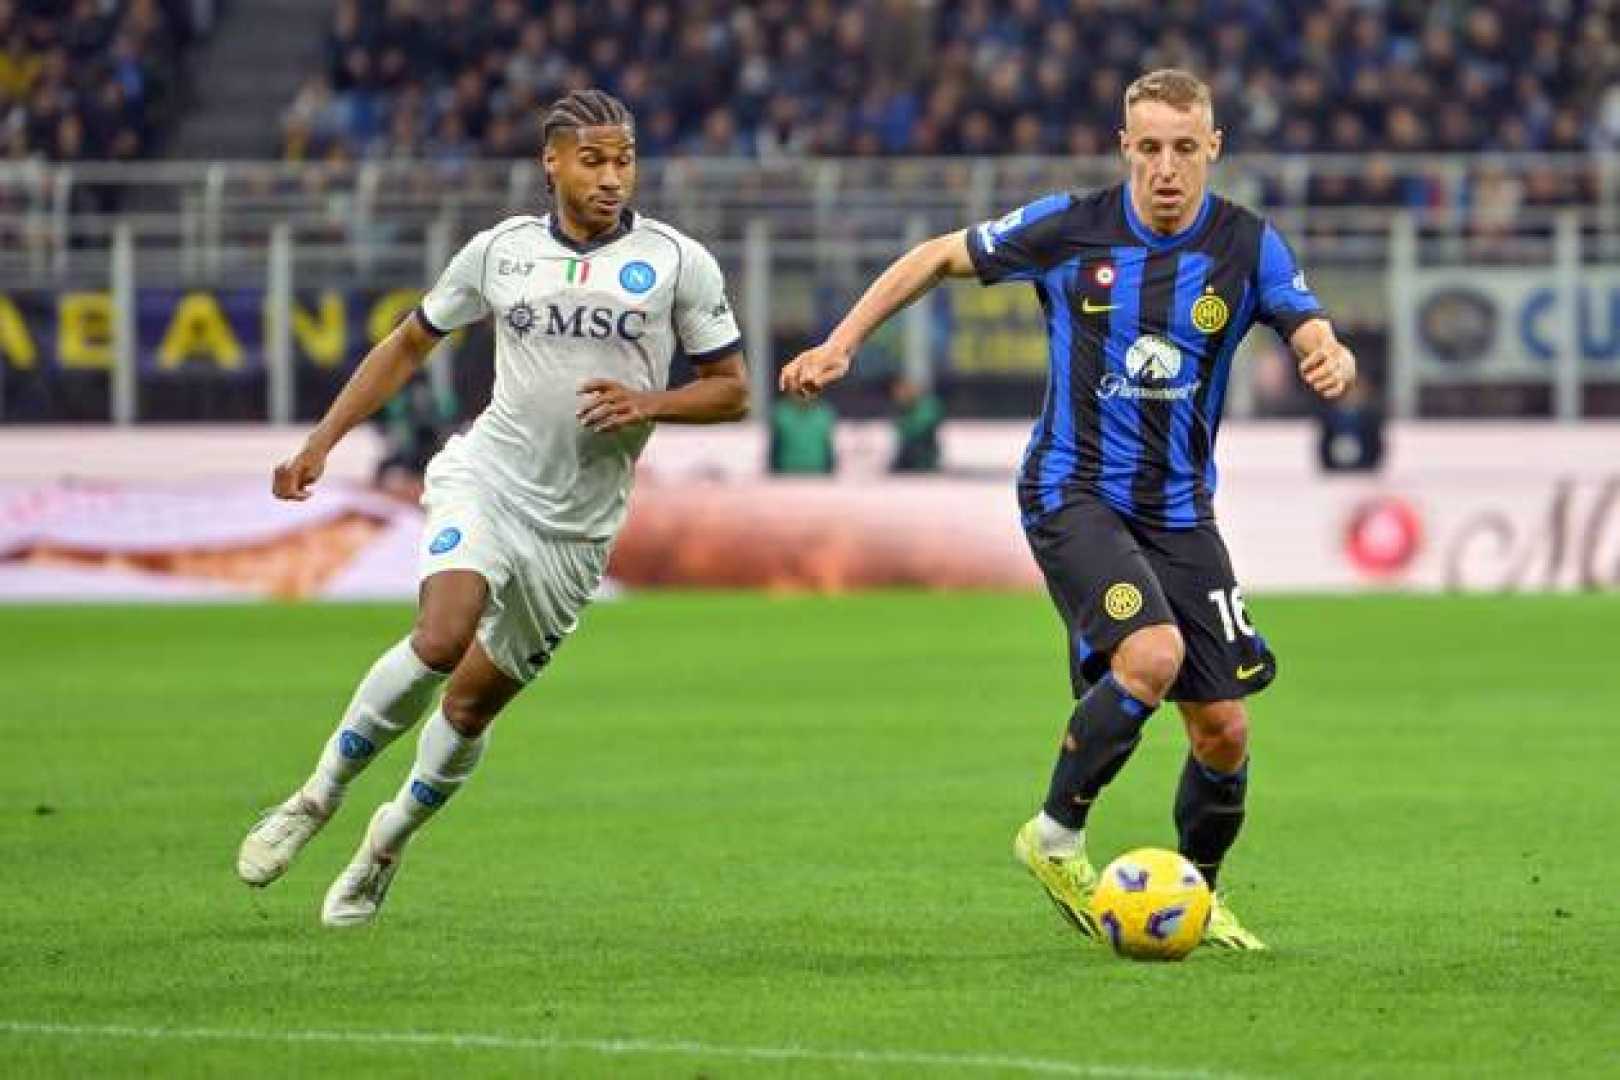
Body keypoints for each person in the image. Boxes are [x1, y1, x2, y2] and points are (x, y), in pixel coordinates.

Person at [780, 69, 1355, 951]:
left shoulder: (1248, 244)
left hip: (1179, 512)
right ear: (1125, 148)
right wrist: (841, 342)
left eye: (1185, 148)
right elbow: (936, 256)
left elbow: (1307, 322)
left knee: (1224, 730)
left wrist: (1330, 353)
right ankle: (1053, 837)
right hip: (1071, 490)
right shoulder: (1070, 227)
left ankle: (1196, 899)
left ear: (1214, 148)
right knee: (1152, 655)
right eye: (1150, 148)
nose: (1167, 168)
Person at [238, 89, 749, 927]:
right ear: (552, 162)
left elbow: (732, 391)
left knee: (470, 707)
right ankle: (316, 795)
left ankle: (384, 843)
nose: (611, 178)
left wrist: (651, 402)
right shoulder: (499, 252)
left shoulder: (677, 262)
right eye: (593, 160)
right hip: (487, 479)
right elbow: (409, 343)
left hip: (577, 531)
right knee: (442, 637)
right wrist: (321, 441)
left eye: (624, 161)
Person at [888, 376, 943, 473]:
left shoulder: (928, 405)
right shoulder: (905, 408)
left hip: (923, 455)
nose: (900, 395)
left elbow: (919, 428)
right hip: (907, 457)